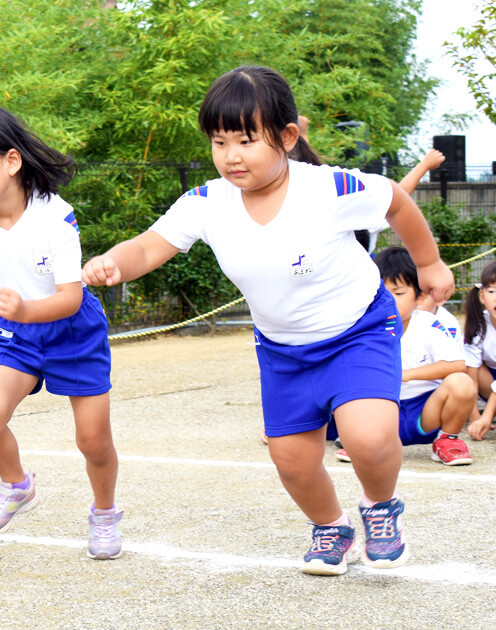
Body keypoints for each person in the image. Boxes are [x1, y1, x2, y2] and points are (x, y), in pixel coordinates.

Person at [82, 66, 454, 576]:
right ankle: (332, 528)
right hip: (283, 349)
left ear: (286, 137)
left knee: (367, 436)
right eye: (218, 141)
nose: (231, 155)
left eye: (246, 140)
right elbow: (149, 244)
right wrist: (114, 262)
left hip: (358, 330)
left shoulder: (328, 188)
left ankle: (380, 506)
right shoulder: (207, 202)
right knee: (292, 460)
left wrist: (430, 263)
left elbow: (394, 199)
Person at [0, 105, 121, 559]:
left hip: (72, 330)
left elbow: (70, 298)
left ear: (11, 162)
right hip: (16, 330)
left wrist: (25, 306)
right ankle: (17, 486)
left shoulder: (55, 218)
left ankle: (105, 513)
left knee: (92, 441)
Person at [333, 247, 474, 465]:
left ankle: (447, 440)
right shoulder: (363, 328)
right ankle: (363, 441)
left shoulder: (428, 325)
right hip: (382, 412)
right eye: (381, 293)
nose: (389, 300)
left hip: (425, 413)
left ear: (420, 296)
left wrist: (407, 374)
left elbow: (456, 365)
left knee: (462, 383)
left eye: (399, 293)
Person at [463, 262, 496, 441]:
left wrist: (487, 415)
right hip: (489, 379)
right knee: (463, 367)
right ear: (482, 296)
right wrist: (474, 415)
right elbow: (472, 376)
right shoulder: (479, 325)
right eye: (492, 292)